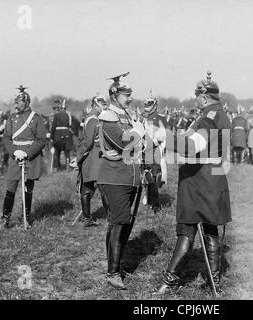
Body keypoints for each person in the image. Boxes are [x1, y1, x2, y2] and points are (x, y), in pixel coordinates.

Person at [154, 71, 232, 295]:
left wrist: (166, 137)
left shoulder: (207, 118)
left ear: (205, 97)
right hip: (212, 177)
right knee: (210, 228)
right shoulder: (220, 115)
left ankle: (169, 281)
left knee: (187, 228)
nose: (195, 100)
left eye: (197, 96)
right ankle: (214, 282)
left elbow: (192, 147)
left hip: (199, 179)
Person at [96, 72, 146, 290]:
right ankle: (113, 272)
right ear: (114, 95)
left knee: (124, 221)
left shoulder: (127, 116)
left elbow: (140, 146)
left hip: (130, 176)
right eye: (126, 94)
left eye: (130, 94)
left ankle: (115, 264)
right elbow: (122, 142)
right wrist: (137, 133)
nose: (130, 98)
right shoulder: (108, 116)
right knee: (120, 221)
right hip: (114, 176)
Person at [0, 86, 47, 229]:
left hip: (30, 158)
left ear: (26, 102)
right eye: (15, 102)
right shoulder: (11, 118)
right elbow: (6, 138)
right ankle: (5, 219)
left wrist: (27, 153)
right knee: (10, 189)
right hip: (15, 158)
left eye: (18, 102)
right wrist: (15, 152)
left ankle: (25, 218)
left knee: (27, 189)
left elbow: (41, 140)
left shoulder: (36, 118)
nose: (15, 105)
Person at [75, 95, 110, 227]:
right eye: (102, 104)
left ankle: (87, 218)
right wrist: (79, 156)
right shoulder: (93, 119)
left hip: (93, 156)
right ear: (95, 105)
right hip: (93, 156)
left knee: (88, 188)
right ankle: (108, 218)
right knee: (101, 188)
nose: (104, 107)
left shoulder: (95, 117)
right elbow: (88, 142)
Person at [141, 93, 168, 213]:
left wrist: (149, 146)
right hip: (145, 150)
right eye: (146, 104)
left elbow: (161, 137)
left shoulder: (160, 118)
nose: (147, 106)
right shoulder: (144, 119)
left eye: (149, 104)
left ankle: (156, 204)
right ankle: (150, 199)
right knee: (146, 175)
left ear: (155, 106)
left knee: (154, 176)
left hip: (155, 150)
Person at [50, 98, 73, 170]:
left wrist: (52, 136)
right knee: (67, 152)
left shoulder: (56, 115)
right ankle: (68, 165)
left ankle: (57, 167)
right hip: (67, 134)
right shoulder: (68, 115)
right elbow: (70, 125)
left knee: (57, 151)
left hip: (58, 134)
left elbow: (53, 126)